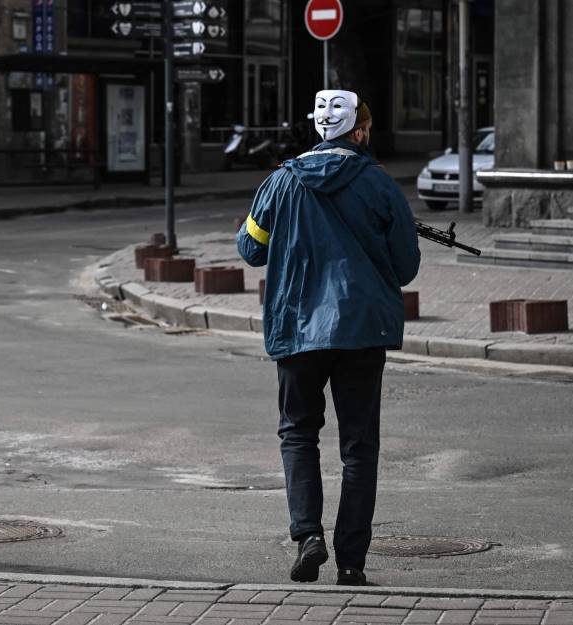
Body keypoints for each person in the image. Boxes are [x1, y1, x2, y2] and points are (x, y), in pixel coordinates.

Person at [237, 90, 421, 586]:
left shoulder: (280, 182)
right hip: (362, 329)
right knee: (359, 448)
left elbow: (250, 248)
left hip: (298, 329)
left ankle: (307, 536)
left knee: (298, 433)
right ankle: (352, 562)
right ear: (359, 132)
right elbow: (405, 266)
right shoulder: (382, 187)